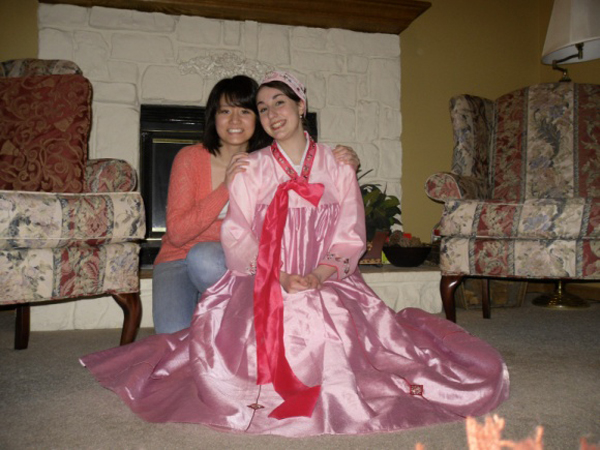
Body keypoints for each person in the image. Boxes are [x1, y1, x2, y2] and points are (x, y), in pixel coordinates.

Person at [81, 71, 509, 436]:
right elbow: (238, 234)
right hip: (261, 273)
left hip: (331, 277)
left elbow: (350, 234)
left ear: (301, 106)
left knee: (354, 338)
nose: (271, 114)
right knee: (208, 338)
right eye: (263, 107)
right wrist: (281, 276)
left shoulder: (337, 164)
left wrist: (321, 274)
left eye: (278, 104)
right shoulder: (250, 168)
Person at [152, 74, 359, 334]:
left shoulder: (262, 162)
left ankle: (219, 313)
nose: (234, 120)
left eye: (245, 111)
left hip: (228, 259)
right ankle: (216, 311)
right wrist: (226, 187)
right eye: (225, 111)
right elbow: (178, 234)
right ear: (213, 117)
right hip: (181, 258)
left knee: (207, 259)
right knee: (172, 336)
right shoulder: (190, 158)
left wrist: (347, 163)